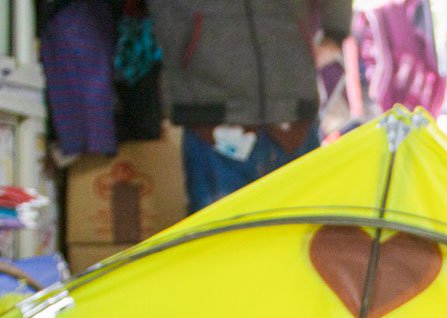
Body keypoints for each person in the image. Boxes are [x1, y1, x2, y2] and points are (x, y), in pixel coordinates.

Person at [149, 0, 353, 213]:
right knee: (222, 240)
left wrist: (335, 33)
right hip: (210, 118)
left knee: (299, 236)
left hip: (292, 114)